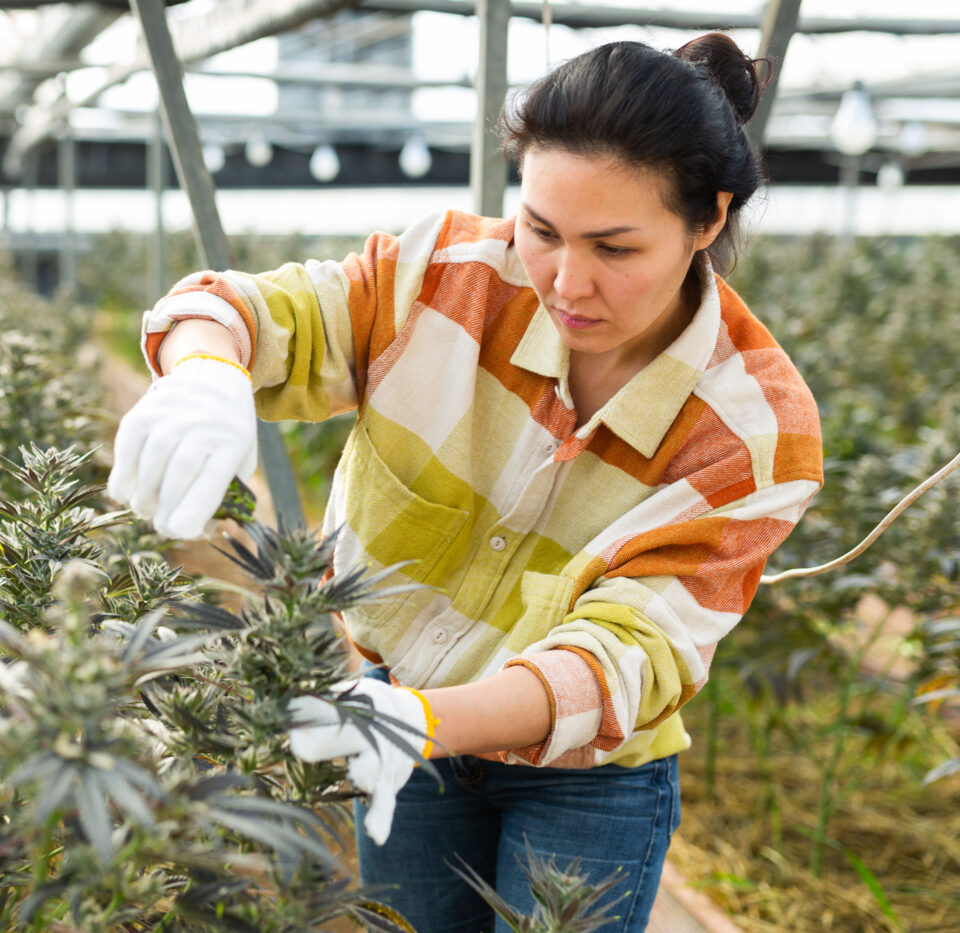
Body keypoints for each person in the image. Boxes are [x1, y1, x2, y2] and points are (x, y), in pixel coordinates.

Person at [108, 32, 822, 933]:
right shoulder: (445, 279)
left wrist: (419, 719)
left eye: (614, 247)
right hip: (397, 720)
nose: (567, 282)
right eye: (543, 230)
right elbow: (251, 310)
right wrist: (204, 368)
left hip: (585, 780)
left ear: (708, 221)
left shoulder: (754, 431)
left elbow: (623, 659)